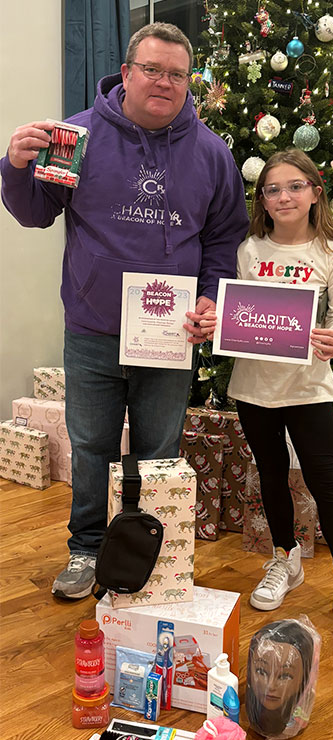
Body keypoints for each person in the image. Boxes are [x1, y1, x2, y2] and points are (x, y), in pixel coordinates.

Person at [0, 22, 249, 600]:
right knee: (91, 447)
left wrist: (211, 296)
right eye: (153, 70)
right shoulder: (77, 137)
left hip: (170, 333)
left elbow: (222, 240)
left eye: (178, 75)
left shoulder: (211, 153)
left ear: (190, 82)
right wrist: (14, 165)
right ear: (127, 72)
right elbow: (35, 213)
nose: (165, 82)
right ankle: (86, 549)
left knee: (159, 451)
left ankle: (147, 551)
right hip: (92, 329)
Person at [205, 148, 333, 652]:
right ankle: (285, 556)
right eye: (272, 189)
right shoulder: (247, 249)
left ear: (316, 191)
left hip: (309, 387)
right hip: (254, 387)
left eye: (294, 186)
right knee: (270, 473)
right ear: (262, 200)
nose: (283, 196)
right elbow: (235, 311)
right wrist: (216, 323)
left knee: (325, 484)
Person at [246, 618, 320, 740]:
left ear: (305, 678)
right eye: (261, 671)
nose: (271, 685)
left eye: (285, 675)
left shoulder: (297, 720)